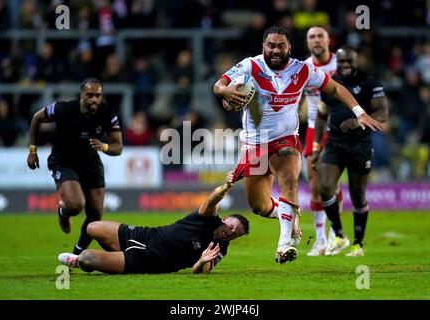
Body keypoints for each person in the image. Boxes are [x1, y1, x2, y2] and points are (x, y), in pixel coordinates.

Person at [213, 25, 384, 264]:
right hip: (254, 143)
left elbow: (334, 87)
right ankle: (288, 216)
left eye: (281, 45)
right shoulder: (250, 66)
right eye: (271, 45)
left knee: (290, 179)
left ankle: (284, 245)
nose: (275, 50)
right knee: (259, 206)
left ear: (289, 47)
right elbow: (219, 84)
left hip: (285, 140)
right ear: (263, 46)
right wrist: (225, 92)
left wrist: (359, 112)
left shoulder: (302, 70)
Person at [57, 172, 249, 274]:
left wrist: (201, 261)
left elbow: (199, 270)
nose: (231, 233)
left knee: (87, 258)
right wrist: (225, 187)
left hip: (146, 261)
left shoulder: (220, 249)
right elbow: (211, 200)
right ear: (225, 219)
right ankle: (83, 253)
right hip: (144, 235)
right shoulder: (207, 217)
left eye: (236, 234)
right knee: (92, 227)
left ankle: (81, 261)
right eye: (232, 227)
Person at [27, 78, 123, 255]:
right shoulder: (64, 109)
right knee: (76, 205)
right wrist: (33, 150)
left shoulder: (107, 112)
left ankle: (78, 253)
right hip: (63, 162)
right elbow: (36, 118)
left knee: (95, 214)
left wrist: (104, 146)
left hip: (91, 163)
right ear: (81, 95)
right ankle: (64, 212)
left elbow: (118, 147)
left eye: (98, 95)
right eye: (90, 95)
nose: (94, 99)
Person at [312, 46, 389, 256]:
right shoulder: (331, 82)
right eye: (342, 62)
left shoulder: (370, 82)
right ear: (337, 62)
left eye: (350, 62)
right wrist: (317, 147)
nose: (345, 66)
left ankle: (358, 244)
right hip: (334, 143)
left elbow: (383, 112)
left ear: (357, 61)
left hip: (359, 145)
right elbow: (321, 115)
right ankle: (338, 235)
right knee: (325, 186)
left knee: (357, 195)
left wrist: (358, 121)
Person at [303, 26, 342, 256]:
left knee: (331, 186)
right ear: (307, 43)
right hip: (312, 130)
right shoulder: (302, 68)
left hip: (338, 131)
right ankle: (320, 241)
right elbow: (295, 99)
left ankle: (336, 235)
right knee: (316, 185)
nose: (316, 40)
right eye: (311, 37)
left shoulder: (341, 65)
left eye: (320, 36)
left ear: (329, 40)